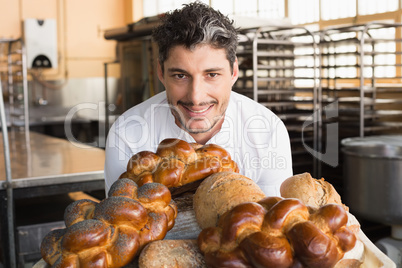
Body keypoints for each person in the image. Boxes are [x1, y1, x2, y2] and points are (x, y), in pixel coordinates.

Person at [104, 1, 293, 197]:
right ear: (160, 72)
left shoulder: (268, 131)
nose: (195, 97)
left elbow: (271, 217)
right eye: (180, 76)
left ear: (234, 71)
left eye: (211, 75)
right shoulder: (127, 133)